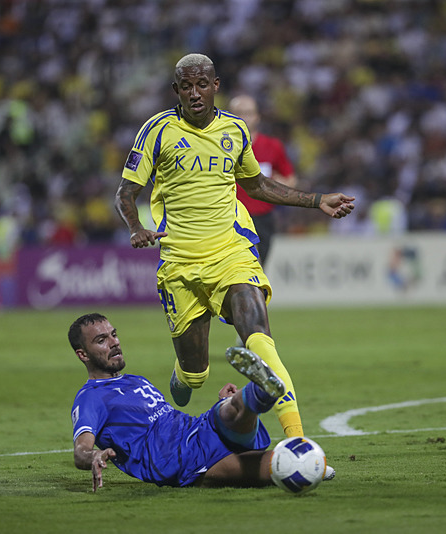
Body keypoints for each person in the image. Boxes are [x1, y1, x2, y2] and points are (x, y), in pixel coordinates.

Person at [115, 53, 354, 441]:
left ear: (216, 86)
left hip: (231, 252)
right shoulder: (157, 131)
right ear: (176, 90)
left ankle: (296, 440)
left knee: (258, 333)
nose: (195, 93)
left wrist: (316, 200)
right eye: (187, 86)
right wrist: (135, 226)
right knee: (194, 375)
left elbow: (257, 185)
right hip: (180, 264)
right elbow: (126, 193)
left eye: (202, 85)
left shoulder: (235, 130)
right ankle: (184, 373)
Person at [69, 312, 288, 489]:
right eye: (101, 340)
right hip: (180, 462)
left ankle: (259, 392)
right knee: (285, 465)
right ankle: (258, 393)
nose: (114, 343)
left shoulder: (135, 380)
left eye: (113, 335)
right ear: (83, 355)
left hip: (198, 429)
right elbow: (81, 450)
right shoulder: (90, 398)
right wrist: (93, 455)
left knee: (229, 408)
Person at [228, 94, 297, 264]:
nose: (244, 118)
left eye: (248, 113)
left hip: (263, 218)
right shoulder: (220, 146)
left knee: (259, 269)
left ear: (257, 116)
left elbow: (291, 180)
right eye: (239, 113)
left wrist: (271, 180)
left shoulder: (273, 146)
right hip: (230, 218)